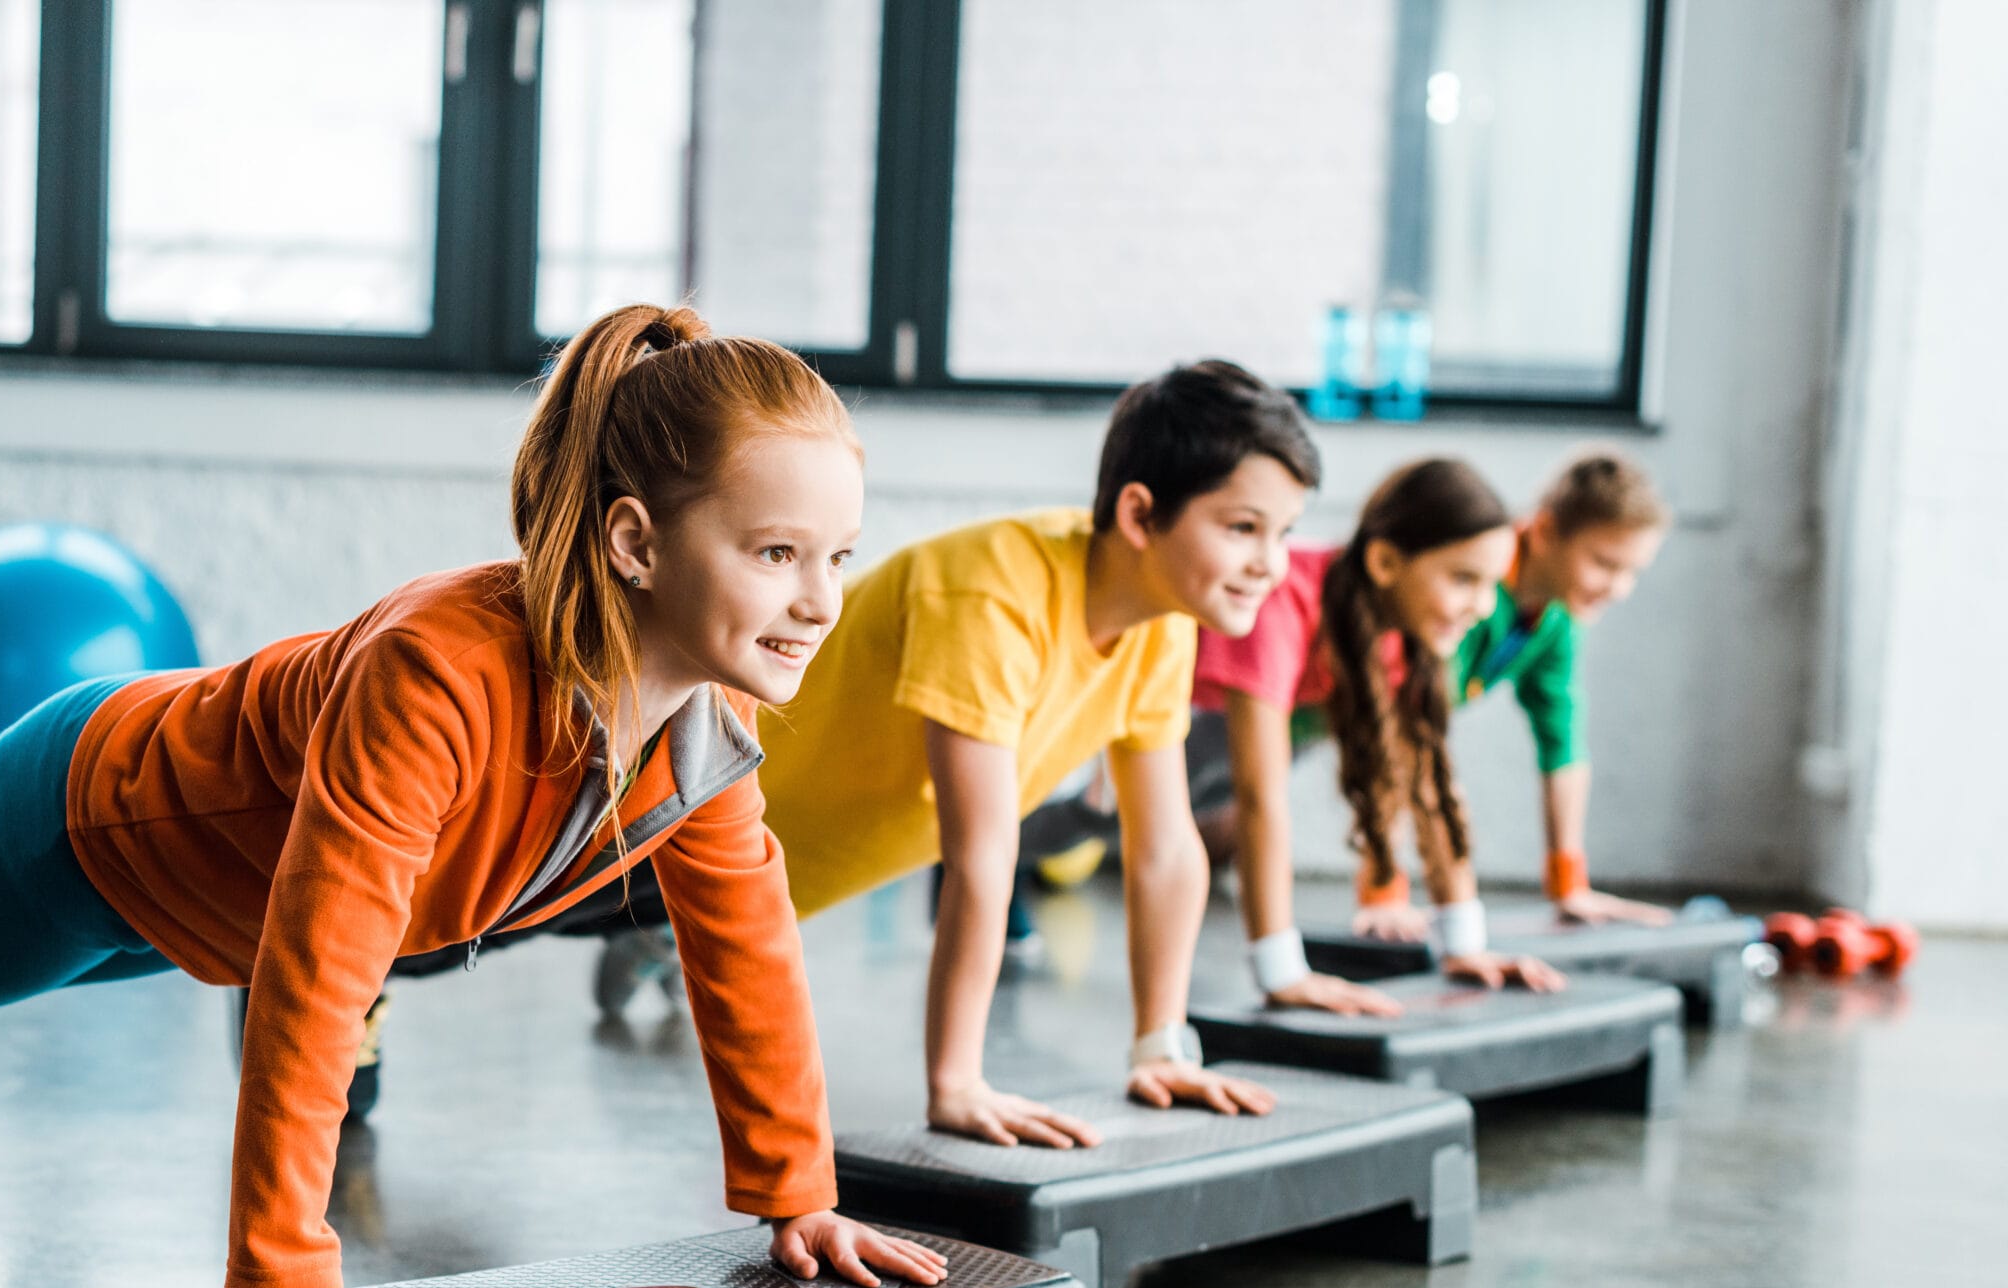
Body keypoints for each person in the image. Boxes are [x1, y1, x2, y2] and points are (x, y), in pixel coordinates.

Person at [0, 303, 948, 1288]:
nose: (820, 598)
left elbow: (745, 954)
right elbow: (325, 971)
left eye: (840, 555)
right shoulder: (442, 671)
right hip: (90, 817)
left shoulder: (701, 742)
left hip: (195, 903)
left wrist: (796, 1197)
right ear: (638, 542)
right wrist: (286, 1268)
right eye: (777, 552)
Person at [594, 360, 1320, 1148]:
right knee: (460, 931)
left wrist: (1162, 1045)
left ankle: (657, 938)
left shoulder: (1162, 627)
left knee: (657, 917)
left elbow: (1167, 847)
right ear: (1141, 515)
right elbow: (979, 857)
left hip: (765, 874)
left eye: (1283, 533)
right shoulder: (992, 593)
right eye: (1243, 528)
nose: (1271, 563)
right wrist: (958, 1083)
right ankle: (647, 931)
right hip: (649, 822)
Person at [1190, 457, 1566, 1014]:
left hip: (1244, 723)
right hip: (1169, 717)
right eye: (1464, 579)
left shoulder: (1406, 637)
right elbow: (1260, 799)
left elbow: (1431, 783)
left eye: (1493, 584)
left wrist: (1463, 946)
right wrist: (1282, 973)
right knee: (1078, 815)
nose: (1484, 607)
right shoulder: (1283, 598)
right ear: (1387, 562)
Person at [1348, 448, 1674, 939]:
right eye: (1605, 563)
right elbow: (1396, 736)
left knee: (1219, 826)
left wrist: (1569, 883)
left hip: (1341, 725)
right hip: (1302, 706)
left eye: (1632, 572)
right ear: (1544, 532)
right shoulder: (1470, 586)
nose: (1619, 588)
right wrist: (1383, 891)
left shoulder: (1558, 619)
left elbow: (1561, 746)